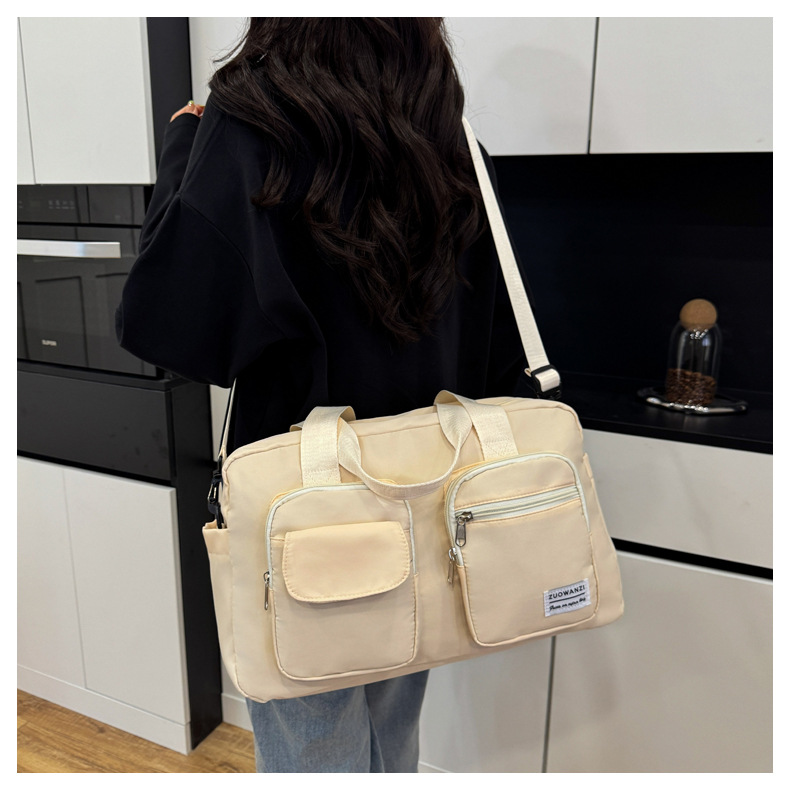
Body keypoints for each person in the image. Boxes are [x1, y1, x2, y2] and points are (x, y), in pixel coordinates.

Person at [116, 17, 536, 773]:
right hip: (426, 491)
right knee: (392, 732)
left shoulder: (252, 116)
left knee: (313, 748)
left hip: (301, 508)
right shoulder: (444, 127)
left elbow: (169, 322)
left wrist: (183, 146)